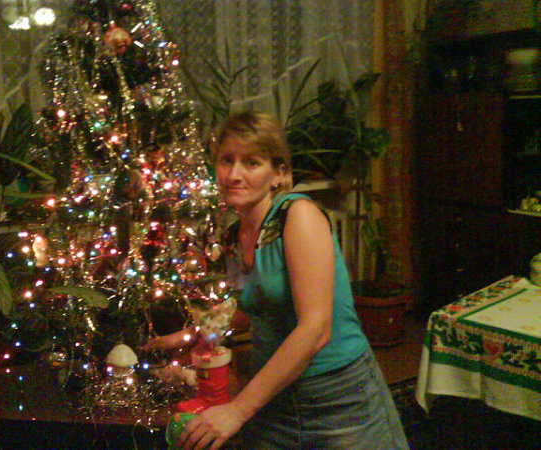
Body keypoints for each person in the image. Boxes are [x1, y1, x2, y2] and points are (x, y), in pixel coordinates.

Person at [147, 112, 409, 449]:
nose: (234, 175)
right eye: (227, 160)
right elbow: (250, 308)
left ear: (278, 173)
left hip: (338, 400)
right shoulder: (232, 236)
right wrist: (186, 336)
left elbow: (315, 329)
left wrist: (238, 410)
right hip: (272, 395)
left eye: (252, 163)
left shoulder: (297, 216)